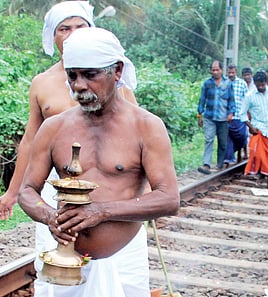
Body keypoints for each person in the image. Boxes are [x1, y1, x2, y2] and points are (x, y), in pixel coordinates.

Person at [18, 27, 180, 297]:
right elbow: (27, 191)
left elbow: (169, 199)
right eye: (73, 76)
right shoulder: (54, 128)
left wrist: (101, 212)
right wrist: (51, 218)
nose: (79, 85)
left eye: (90, 75)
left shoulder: (146, 127)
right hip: (64, 259)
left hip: (123, 258)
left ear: (116, 71)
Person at [0, 1, 137, 220]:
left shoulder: (113, 77)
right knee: (57, 246)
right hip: (57, 184)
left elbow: (138, 133)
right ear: (53, 37)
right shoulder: (42, 83)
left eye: (80, 27)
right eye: (64, 28)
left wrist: (146, 191)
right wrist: (12, 192)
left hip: (113, 179)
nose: (72, 34)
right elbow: (30, 141)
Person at [240, 71, 268, 190]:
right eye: (258, 85)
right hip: (258, 129)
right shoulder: (249, 96)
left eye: (262, 84)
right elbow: (242, 114)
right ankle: (261, 174)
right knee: (256, 154)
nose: (261, 87)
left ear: (265, 82)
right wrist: (250, 127)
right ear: (255, 83)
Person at [197, 60, 235, 174]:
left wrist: (231, 113)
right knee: (209, 139)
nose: (215, 72)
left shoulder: (228, 83)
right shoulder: (207, 84)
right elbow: (202, 99)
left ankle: (220, 164)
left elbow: (231, 101)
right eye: (213, 70)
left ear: (221, 70)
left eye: (217, 69)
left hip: (223, 118)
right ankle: (206, 164)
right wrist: (199, 114)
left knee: (222, 142)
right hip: (209, 117)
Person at [224, 65, 249, 166]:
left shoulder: (242, 83)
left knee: (241, 136)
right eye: (229, 73)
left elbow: (247, 100)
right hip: (226, 116)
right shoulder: (223, 83)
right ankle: (227, 159)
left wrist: (247, 113)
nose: (231, 75)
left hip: (239, 115)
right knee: (227, 138)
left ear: (236, 72)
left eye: (232, 73)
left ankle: (238, 151)